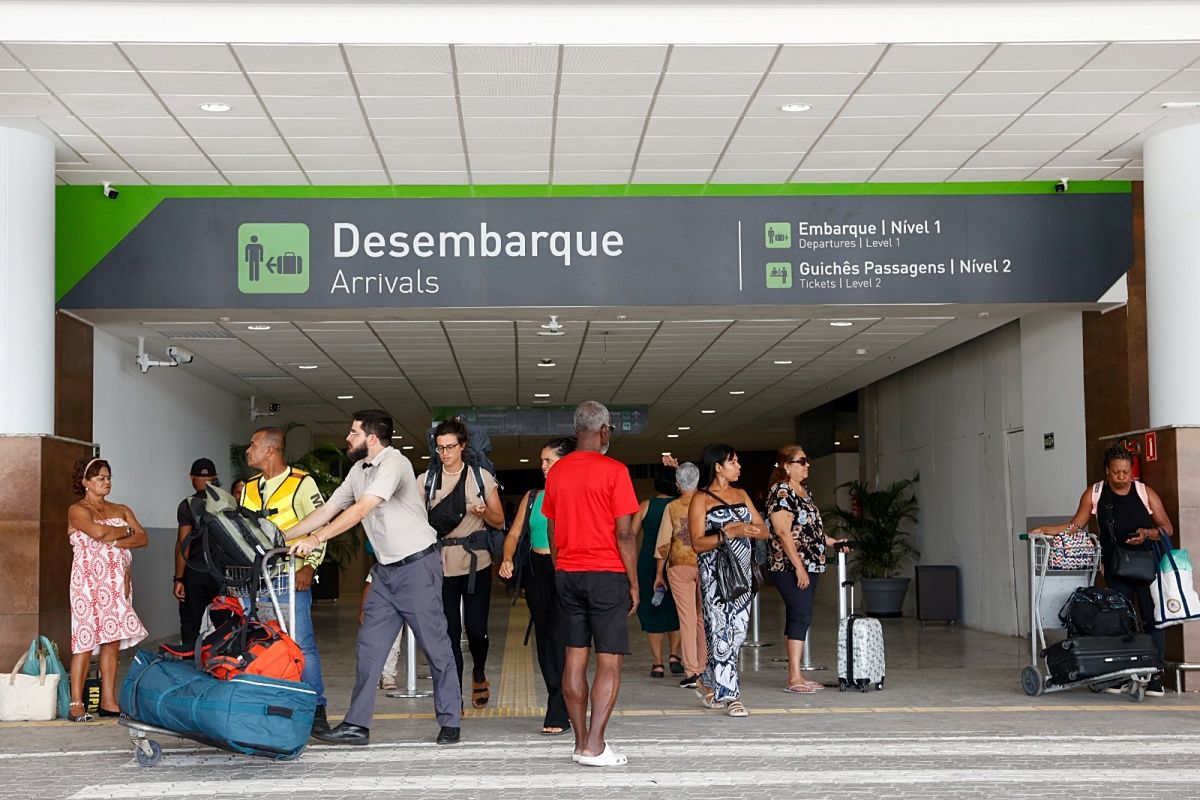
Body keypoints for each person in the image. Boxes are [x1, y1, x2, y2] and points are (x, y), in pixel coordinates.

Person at [287, 409, 461, 746]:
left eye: (352, 433)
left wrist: (317, 539)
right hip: (384, 574)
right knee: (369, 651)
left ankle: (451, 719)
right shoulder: (357, 470)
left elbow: (363, 508)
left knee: (436, 648)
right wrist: (282, 537)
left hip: (417, 569)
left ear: (371, 437)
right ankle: (357, 725)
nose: (347, 439)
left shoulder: (395, 463)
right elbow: (326, 510)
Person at [1031, 444, 1174, 696]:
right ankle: (1118, 676)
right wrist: (1046, 530)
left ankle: (1154, 678)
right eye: (1117, 472)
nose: (1122, 477)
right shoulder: (1095, 493)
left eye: (1127, 472)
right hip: (1115, 567)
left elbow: (1167, 528)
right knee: (1117, 621)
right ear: (1107, 471)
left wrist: (1146, 534)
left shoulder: (1144, 492)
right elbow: (1076, 525)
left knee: (1153, 620)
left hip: (1145, 567)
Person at [542, 401, 639, 767]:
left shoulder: (558, 473)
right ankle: (595, 744)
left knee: (574, 657)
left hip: (567, 573)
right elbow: (625, 533)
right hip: (606, 575)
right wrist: (633, 583)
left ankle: (580, 741)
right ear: (602, 431)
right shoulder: (615, 471)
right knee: (609, 661)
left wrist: (560, 567)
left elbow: (551, 528)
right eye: (609, 430)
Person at [239, 427, 331, 734]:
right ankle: (269, 706)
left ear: (270, 450)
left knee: (302, 645)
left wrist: (311, 567)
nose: (247, 450)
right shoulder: (249, 487)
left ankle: (317, 709)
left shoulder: (301, 483)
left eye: (252, 444)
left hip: (290, 577)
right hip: (256, 579)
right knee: (259, 645)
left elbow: (322, 526)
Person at [419, 419, 505, 709]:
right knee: (450, 632)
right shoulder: (427, 482)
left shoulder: (480, 477)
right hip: (441, 565)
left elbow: (500, 520)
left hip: (475, 564)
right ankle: (453, 694)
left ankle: (479, 672)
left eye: (450, 447)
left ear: (463, 446)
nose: (445, 453)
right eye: (440, 448)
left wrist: (483, 513)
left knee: (476, 629)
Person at [498, 436, 576, 735]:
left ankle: (559, 707)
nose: (543, 466)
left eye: (549, 461)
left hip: (566, 569)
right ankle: (558, 699)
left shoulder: (576, 496)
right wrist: (507, 558)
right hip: (537, 569)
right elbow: (514, 534)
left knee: (561, 637)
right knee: (544, 638)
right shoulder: (532, 497)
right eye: (541, 461)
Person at [688, 443, 769, 717]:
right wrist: (728, 532)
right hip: (715, 576)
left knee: (737, 634)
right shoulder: (701, 499)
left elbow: (763, 530)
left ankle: (707, 680)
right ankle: (731, 695)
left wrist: (749, 530)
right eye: (733, 462)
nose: (739, 466)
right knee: (721, 631)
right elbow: (698, 543)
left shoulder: (741, 493)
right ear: (718, 467)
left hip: (742, 575)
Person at [66, 457, 148, 722]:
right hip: (87, 584)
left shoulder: (121, 508)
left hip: (116, 583)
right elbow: (97, 533)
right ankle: (76, 703)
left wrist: (114, 535)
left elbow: (142, 537)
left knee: (112, 640)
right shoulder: (77, 510)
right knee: (85, 639)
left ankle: (108, 701)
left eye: (109, 477)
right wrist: (124, 532)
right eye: (100, 478)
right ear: (85, 482)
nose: (106, 482)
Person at [765, 444, 848, 694]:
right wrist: (799, 567)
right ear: (786, 466)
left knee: (798, 615)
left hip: (810, 563)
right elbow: (782, 532)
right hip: (788, 566)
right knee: (801, 615)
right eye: (801, 461)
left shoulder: (802, 491)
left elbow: (809, 529)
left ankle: (795, 674)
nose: (807, 465)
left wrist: (832, 542)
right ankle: (794, 677)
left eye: (807, 460)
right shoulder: (781, 492)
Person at [654, 461, 707, 689]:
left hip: (679, 565)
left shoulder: (672, 508)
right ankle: (704, 669)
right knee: (702, 618)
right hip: (705, 563)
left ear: (677, 484)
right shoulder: (707, 503)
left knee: (686, 619)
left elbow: (664, 543)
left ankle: (692, 671)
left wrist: (658, 574)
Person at [632, 464, 682, 677]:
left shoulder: (645, 506)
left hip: (648, 563)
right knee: (678, 607)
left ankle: (657, 663)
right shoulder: (680, 505)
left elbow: (630, 535)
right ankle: (674, 656)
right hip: (677, 560)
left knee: (652, 609)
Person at [173, 458, 222, 648]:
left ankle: (189, 665)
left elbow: (183, 544)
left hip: (195, 572)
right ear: (215, 478)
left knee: (190, 625)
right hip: (222, 574)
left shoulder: (188, 505)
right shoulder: (227, 502)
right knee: (225, 624)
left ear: (191, 478)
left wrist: (178, 579)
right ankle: (224, 663)